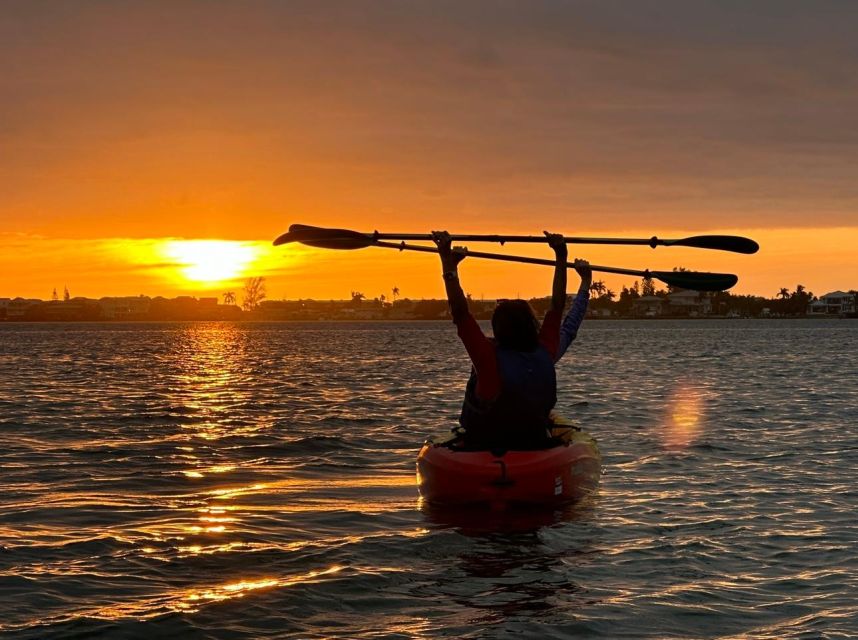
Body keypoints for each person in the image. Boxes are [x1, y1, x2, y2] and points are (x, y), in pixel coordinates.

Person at [432, 230, 591, 449]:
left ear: (498, 329)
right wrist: (562, 257)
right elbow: (559, 307)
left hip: (484, 445)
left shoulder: (486, 358)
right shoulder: (546, 349)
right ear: (531, 325)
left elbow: (460, 313)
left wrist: (447, 262)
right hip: (534, 443)